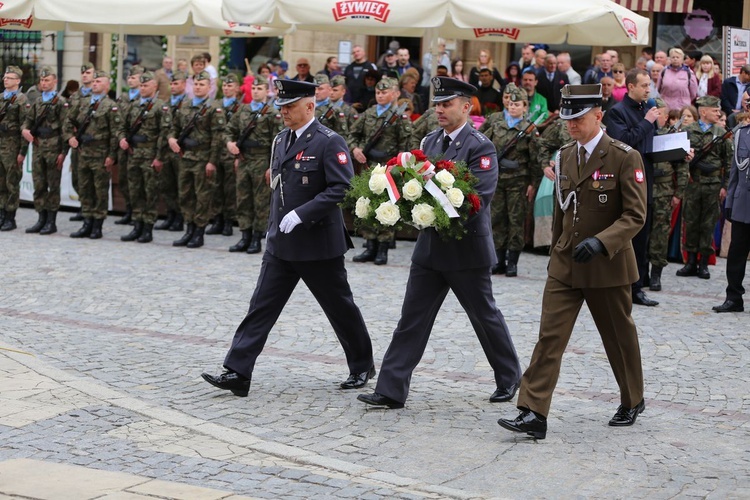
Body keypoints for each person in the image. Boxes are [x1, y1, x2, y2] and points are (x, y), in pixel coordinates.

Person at [202, 79, 375, 397]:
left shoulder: (328, 141)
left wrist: (302, 214)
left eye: (289, 106)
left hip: (317, 243)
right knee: (261, 305)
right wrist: (275, 223)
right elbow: (279, 186)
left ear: (310, 106)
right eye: (280, 106)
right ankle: (238, 370)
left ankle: (362, 364)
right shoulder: (281, 139)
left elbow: (342, 187)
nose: (283, 111)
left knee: (339, 307)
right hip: (282, 242)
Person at [357, 77, 522, 410]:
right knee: (411, 319)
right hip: (430, 249)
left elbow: (478, 198)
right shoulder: (429, 140)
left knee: (484, 316)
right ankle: (391, 388)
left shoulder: (480, 146)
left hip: (466, 249)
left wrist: (435, 211)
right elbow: (411, 184)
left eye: (447, 104)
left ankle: (509, 376)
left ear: (466, 106)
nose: (440, 110)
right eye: (437, 104)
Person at [498, 84, 648, 440]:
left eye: (578, 118)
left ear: (598, 115)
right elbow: (568, 211)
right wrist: (558, 250)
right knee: (549, 337)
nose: (571, 125)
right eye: (567, 119)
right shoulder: (565, 154)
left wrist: (601, 242)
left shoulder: (624, 156)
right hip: (566, 264)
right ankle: (533, 412)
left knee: (618, 336)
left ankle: (633, 399)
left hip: (608, 264)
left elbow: (635, 215)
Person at [604, 68, 662, 307]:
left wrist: (678, 152)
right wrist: (648, 123)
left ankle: (637, 287)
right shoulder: (617, 112)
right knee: (621, 235)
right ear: (630, 87)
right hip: (623, 183)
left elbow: (651, 145)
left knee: (641, 237)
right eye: (645, 85)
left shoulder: (647, 109)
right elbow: (624, 143)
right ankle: (614, 284)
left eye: (650, 85)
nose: (649, 90)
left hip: (645, 179)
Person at [349, 77, 413, 265]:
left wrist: (398, 167)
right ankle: (369, 245)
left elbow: (406, 144)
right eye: (378, 92)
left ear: (395, 94)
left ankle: (383, 247)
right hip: (369, 165)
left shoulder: (399, 117)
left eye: (384, 92)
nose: (380, 95)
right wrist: (356, 149)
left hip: (389, 166)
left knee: (387, 206)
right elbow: (352, 134)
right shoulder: (368, 114)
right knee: (367, 204)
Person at [481, 84, 540, 276]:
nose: (513, 107)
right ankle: (497, 260)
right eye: (511, 104)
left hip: (519, 181)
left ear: (525, 107)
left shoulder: (529, 129)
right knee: (497, 218)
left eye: (518, 104)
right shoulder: (497, 124)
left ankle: (512, 260)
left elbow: (534, 159)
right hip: (498, 178)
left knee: (516, 220)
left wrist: (533, 183)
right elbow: (484, 145)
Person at [676, 95, 732, 280]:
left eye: (718, 110)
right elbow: (679, 158)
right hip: (693, 183)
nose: (718, 113)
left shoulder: (721, 132)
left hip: (713, 185)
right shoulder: (688, 131)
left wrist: (725, 186)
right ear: (703, 111)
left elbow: (728, 162)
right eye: (714, 110)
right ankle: (690, 261)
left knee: (709, 224)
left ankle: (703, 263)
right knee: (691, 222)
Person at [224, 76, 283, 254]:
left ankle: (257, 237)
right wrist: (230, 144)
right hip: (244, 159)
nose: (256, 91)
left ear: (267, 91)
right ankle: (244, 235)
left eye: (260, 88)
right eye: (254, 88)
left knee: (260, 201)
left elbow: (278, 142)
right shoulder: (242, 110)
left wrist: (271, 166)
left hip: (262, 159)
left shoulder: (272, 114)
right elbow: (228, 130)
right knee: (242, 199)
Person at [168, 71, 226, 249]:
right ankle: (189, 229)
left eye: (202, 85)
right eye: (196, 84)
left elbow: (218, 138)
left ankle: (199, 232)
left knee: (202, 196)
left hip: (203, 158)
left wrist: (212, 161)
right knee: (185, 195)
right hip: (185, 157)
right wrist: (171, 139)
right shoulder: (184, 105)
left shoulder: (214, 108)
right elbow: (173, 127)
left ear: (209, 87)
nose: (198, 87)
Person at [63, 70, 120, 239]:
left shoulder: (111, 106)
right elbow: (68, 122)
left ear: (107, 85)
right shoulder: (83, 103)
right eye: (94, 81)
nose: (95, 83)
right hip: (83, 152)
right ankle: (86, 222)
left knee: (100, 190)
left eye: (99, 81)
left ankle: (97, 225)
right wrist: (70, 138)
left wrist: (111, 156)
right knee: (85, 188)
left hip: (101, 154)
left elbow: (115, 133)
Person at [117, 71, 170, 244]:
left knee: (150, 192)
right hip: (134, 154)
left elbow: (164, 133)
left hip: (150, 155)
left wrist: (159, 157)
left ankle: (147, 227)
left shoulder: (160, 107)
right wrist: (122, 139)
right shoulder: (133, 106)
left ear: (154, 87)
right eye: (141, 85)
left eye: (146, 85)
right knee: (135, 191)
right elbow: (121, 126)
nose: (142, 88)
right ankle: (137, 224)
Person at [21, 66, 67, 235]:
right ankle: (41, 218)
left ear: (55, 81)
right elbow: (28, 120)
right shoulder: (38, 102)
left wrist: (63, 152)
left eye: (47, 80)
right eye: (42, 80)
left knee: (53, 185)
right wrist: (25, 130)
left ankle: (51, 221)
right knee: (39, 184)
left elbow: (65, 129)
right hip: (39, 147)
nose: (44, 83)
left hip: (54, 147)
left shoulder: (60, 103)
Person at [648, 98, 688, 291]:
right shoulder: (643, 134)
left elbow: (682, 167)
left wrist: (679, 193)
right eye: (661, 114)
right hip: (643, 190)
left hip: (664, 191)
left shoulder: (671, 136)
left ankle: (656, 273)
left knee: (660, 234)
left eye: (663, 114)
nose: (663, 118)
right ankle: (638, 272)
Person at [713, 116, 750, 313]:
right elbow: (735, 171)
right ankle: (734, 297)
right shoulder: (741, 134)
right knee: (736, 254)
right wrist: (730, 202)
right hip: (743, 204)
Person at [206, 73, 243, 237]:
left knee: (230, 189)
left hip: (231, 153)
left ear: (237, 89)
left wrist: (238, 157)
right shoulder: (215, 105)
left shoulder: (242, 108)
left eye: (230, 86)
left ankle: (229, 221)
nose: (227, 88)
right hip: (215, 152)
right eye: (225, 86)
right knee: (215, 188)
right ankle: (217, 219)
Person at [154, 71, 187, 232]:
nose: (173, 87)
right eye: (172, 84)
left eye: (177, 83)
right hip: (166, 151)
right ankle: (171, 214)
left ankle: (180, 217)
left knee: (181, 186)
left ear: (184, 85)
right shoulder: (165, 104)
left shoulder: (188, 104)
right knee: (167, 185)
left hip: (181, 151)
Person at [113, 64, 145, 226]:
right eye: (129, 77)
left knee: (137, 181)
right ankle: (129, 209)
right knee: (124, 179)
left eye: (134, 77)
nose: (131, 80)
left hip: (139, 147)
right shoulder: (123, 98)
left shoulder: (144, 99)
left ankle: (139, 213)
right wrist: (120, 138)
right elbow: (118, 121)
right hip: (123, 144)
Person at [0, 66, 28, 231]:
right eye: (5, 77)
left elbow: (25, 127)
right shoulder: (1, 97)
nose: (6, 79)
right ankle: (2, 213)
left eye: (10, 77)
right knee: (1, 183)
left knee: (11, 182)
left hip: (12, 146)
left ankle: (10, 216)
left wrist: (22, 151)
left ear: (17, 80)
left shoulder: (21, 100)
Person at [658, 48, 697, 112]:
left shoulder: (689, 72)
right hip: (666, 106)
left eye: (677, 57)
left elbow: (693, 93)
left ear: (682, 59)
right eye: (673, 57)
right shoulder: (664, 71)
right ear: (670, 59)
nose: (675, 59)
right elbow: (659, 88)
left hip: (682, 107)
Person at [314, 74, 349, 139]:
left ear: (329, 90)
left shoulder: (334, 110)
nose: (316, 92)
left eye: (320, 89)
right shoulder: (307, 107)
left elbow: (342, 136)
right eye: (315, 89)